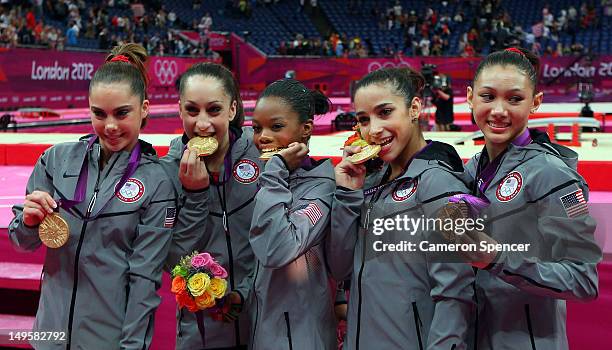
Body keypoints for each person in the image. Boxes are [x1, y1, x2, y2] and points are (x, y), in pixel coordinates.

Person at [8, 43, 176, 349]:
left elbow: (145, 281)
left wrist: (133, 346)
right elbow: (22, 241)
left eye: (122, 113)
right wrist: (29, 222)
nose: (109, 126)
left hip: (107, 339)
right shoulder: (56, 160)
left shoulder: (157, 181)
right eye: (99, 114)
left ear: (145, 109)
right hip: (50, 333)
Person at [463, 47, 602, 349]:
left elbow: (583, 281)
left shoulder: (555, 175)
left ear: (535, 102)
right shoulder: (472, 167)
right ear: (470, 96)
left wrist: (500, 260)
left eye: (514, 99)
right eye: (488, 96)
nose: (499, 110)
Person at [328, 67, 475, 350]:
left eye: (385, 113)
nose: (373, 129)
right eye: (363, 119)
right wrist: (347, 194)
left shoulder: (440, 181)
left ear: (415, 108)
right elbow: (340, 266)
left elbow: (455, 292)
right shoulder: (369, 181)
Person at [161, 62, 262, 350]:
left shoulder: (263, 160)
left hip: (263, 325)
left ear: (232, 110)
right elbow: (171, 261)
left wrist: (244, 293)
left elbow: (277, 247)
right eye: (192, 110)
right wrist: (195, 195)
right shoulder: (165, 173)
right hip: (202, 332)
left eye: (214, 110)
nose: (202, 124)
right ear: (180, 110)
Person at [248, 79, 337, 349]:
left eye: (276, 127)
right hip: (263, 327)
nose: (263, 136)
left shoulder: (322, 187)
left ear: (306, 129)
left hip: (300, 335)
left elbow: (277, 248)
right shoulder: (265, 179)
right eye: (256, 128)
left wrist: (276, 172)